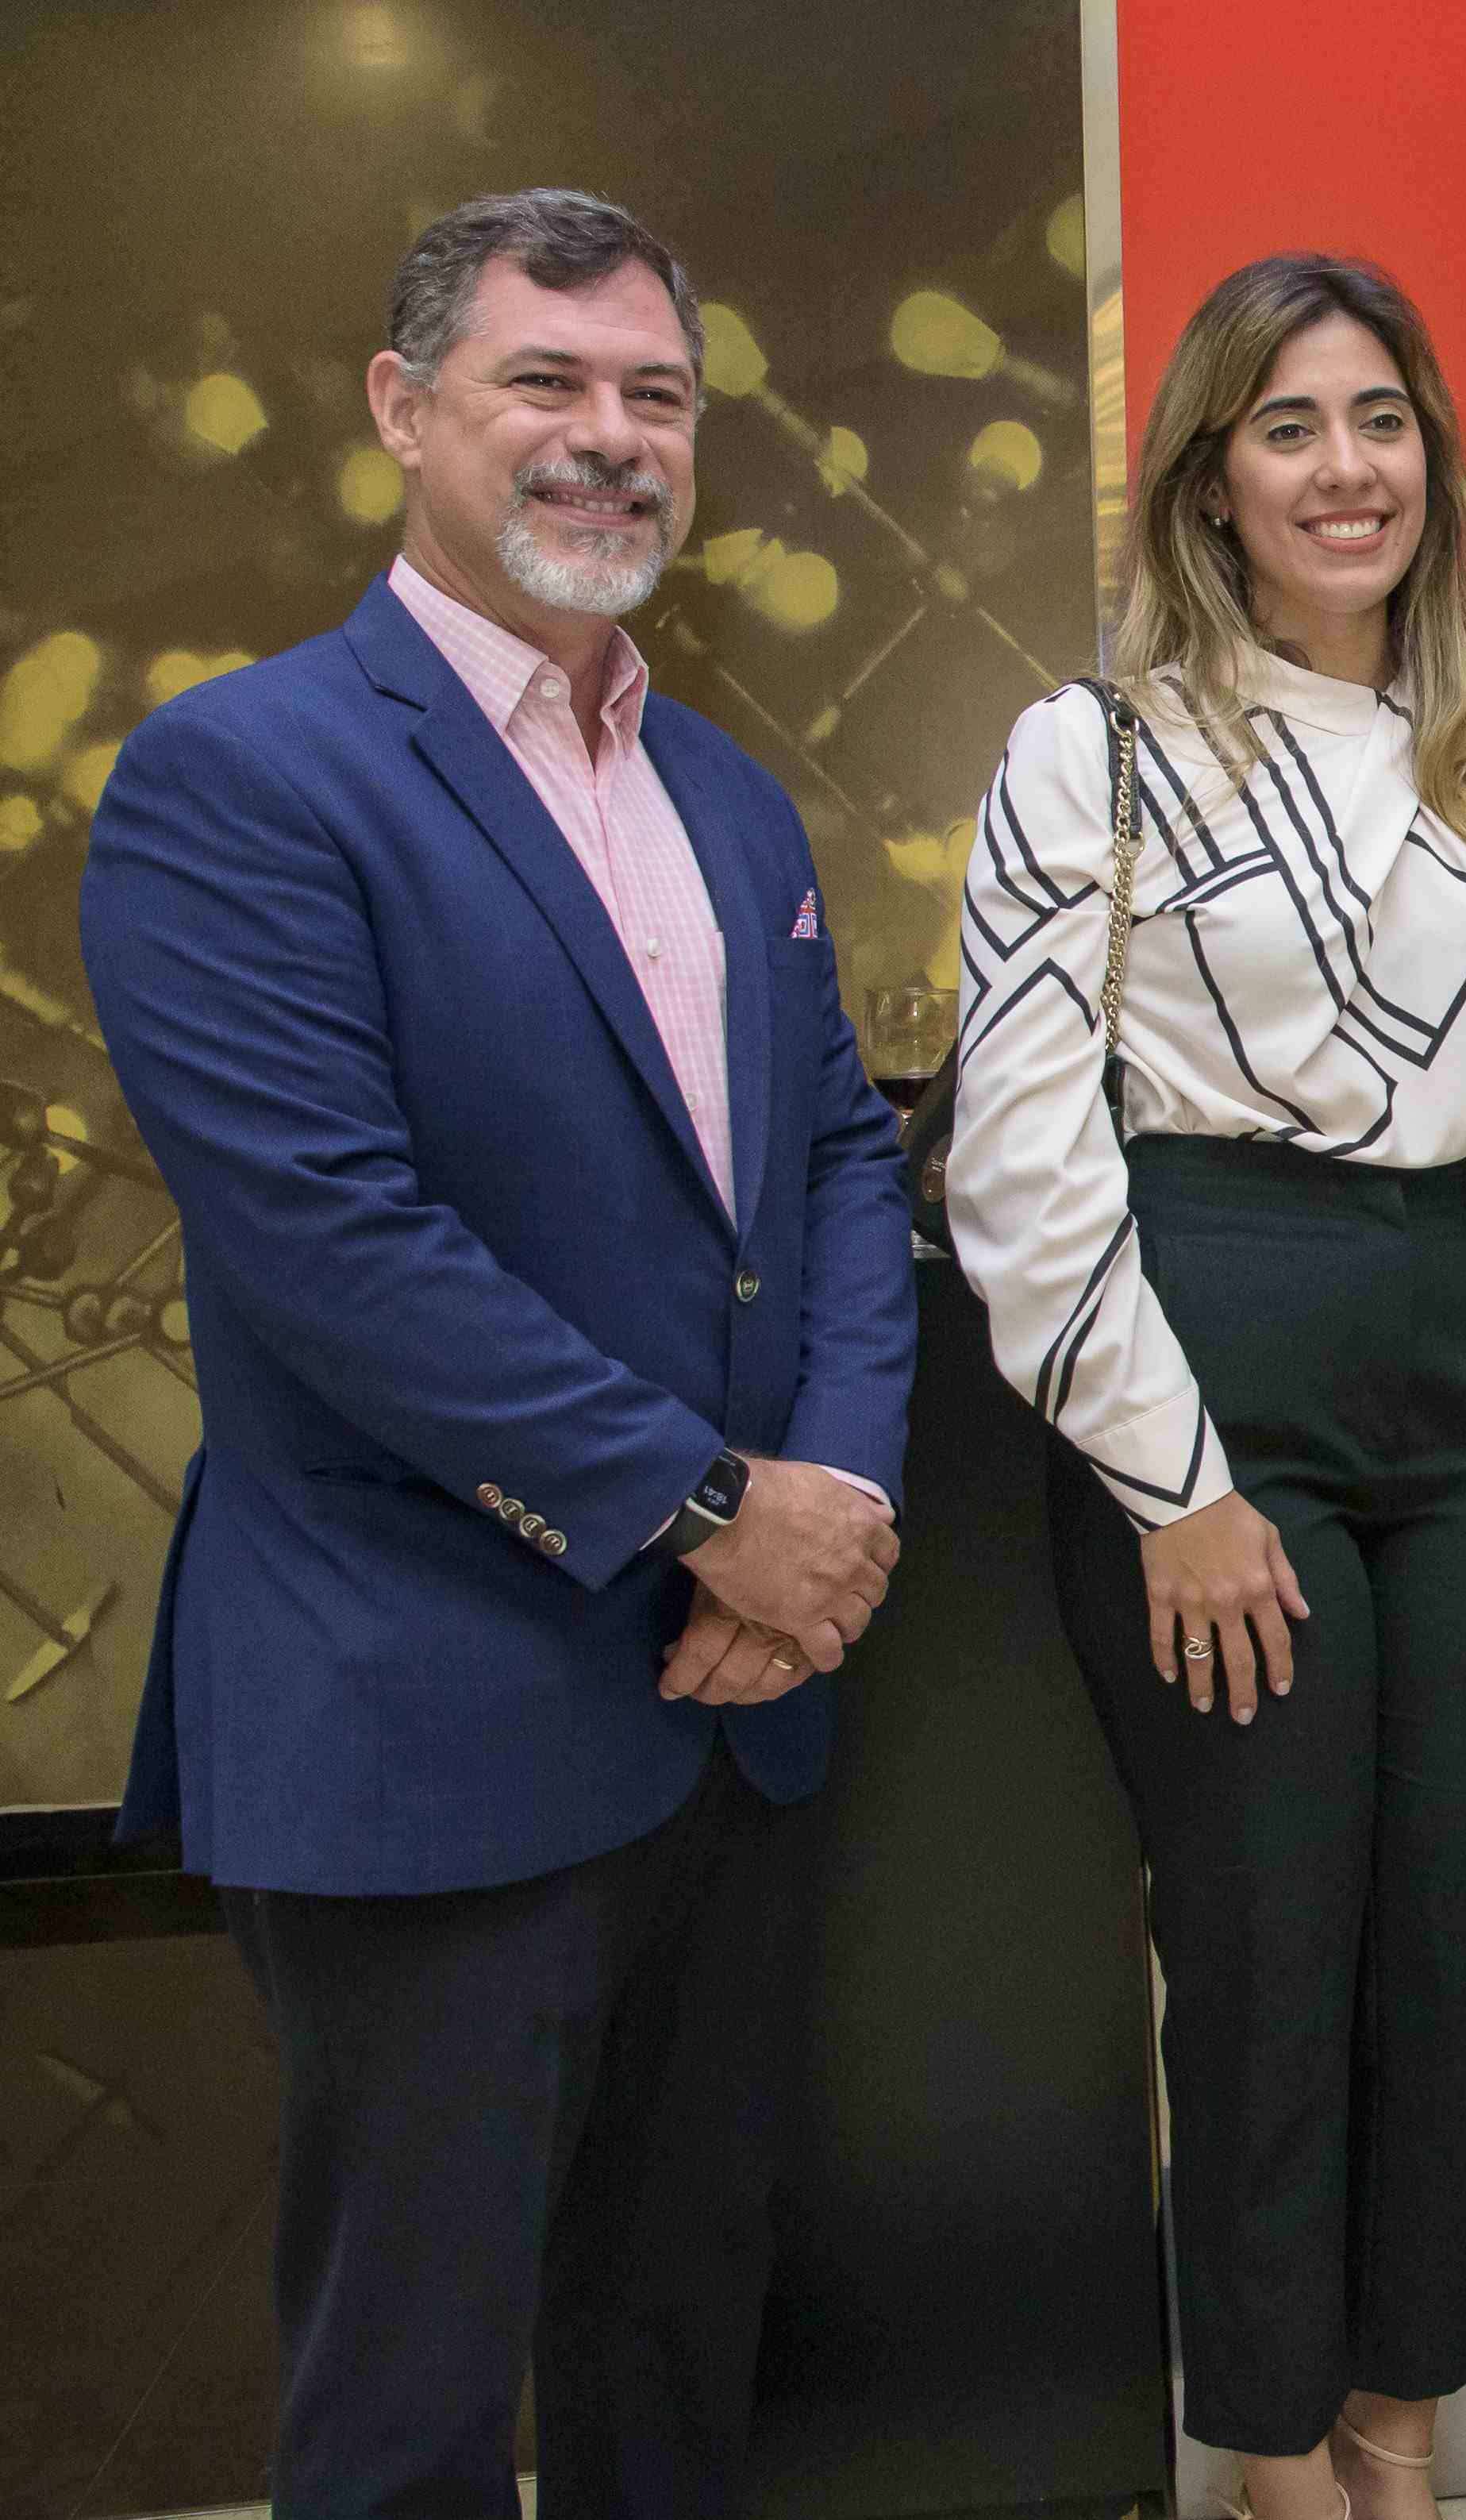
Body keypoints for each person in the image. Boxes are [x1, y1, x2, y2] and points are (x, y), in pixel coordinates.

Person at [79, 189, 917, 2517]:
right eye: (546, 383)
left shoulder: (723, 792)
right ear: (402, 411)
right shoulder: (244, 778)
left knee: (674, 2336)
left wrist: (828, 1508)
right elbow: (336, 1248)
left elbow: (844, 1166)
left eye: (655, 396)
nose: (609, 438)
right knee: (413, 2399)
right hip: (426, 1708)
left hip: (732, 1718)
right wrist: (710, 1516)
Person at [946, 252, 1466, 2520]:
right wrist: (1173, 1487)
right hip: (1210, 1382)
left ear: (1432, 459)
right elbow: (1022, 1159)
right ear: (1213, 484)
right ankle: (1258, 2450)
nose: (1347, 469)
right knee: (1259, 1954)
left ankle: (1401, 2421)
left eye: (1381, 421)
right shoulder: (1091, 751)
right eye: (1291, 427)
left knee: (1456, 1951)